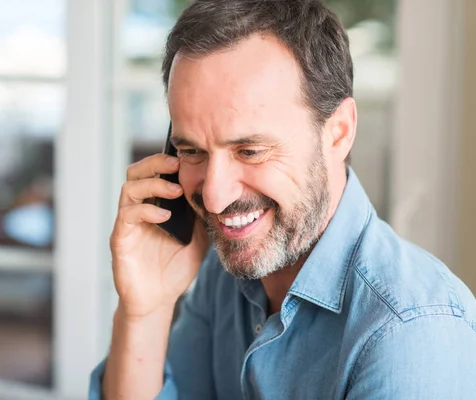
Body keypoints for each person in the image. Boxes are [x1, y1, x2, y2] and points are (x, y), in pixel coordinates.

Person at [90, 0, 476, 398]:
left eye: (250, 150)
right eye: (191, 151)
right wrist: (146, 311)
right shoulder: (223, 270)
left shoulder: (411, 333)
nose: (214, 197)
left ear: (338, 132)